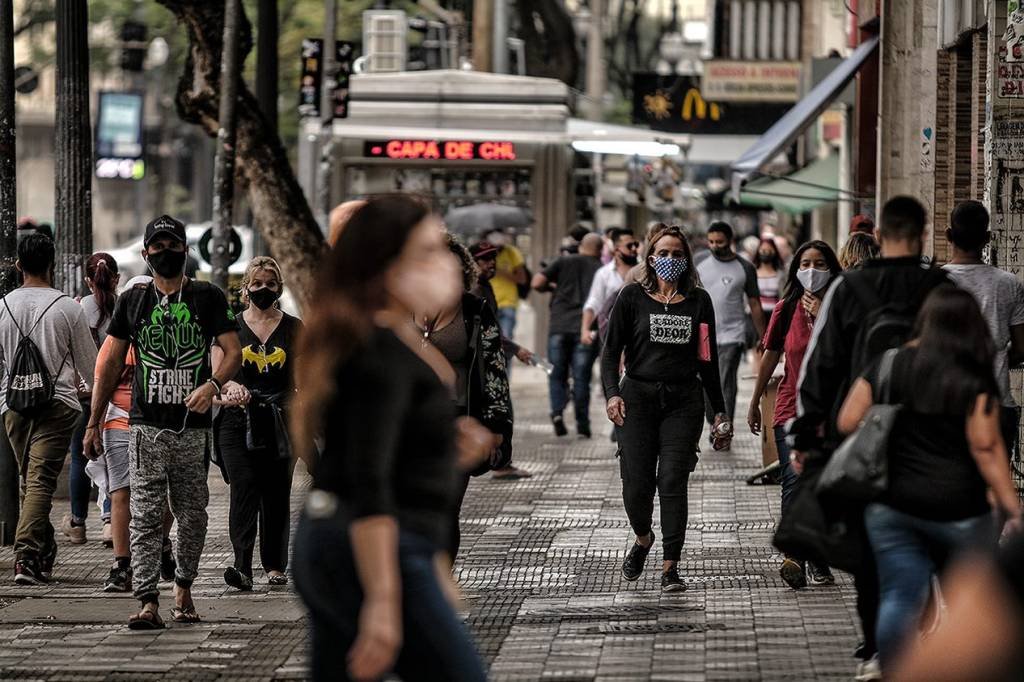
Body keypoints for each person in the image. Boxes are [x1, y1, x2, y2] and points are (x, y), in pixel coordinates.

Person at [291, 195, 490, 681]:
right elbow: (365, 480)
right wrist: (383, 601)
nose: (445, 264)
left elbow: (384, 444)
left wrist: (442, 441)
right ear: (386, 265)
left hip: (354, 541)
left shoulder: (392, 336)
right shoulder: (375, 350)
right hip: (365, 544)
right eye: (426, 252)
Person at [790, 196, 950, 680]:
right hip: (930, 436)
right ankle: (915, 628)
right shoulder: (942, 288)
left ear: (879, 236)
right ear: (923, 233)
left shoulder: (850, 289)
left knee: (872, 546)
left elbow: (819, 366)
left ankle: (881, 646)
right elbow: (970, 367)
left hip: (861, 437)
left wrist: (804, 434)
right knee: (919, 538)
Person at [836, 288, 1022, 669]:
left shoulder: (888, 364)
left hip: (892, 505)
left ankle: (891, 669)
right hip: (960, 508)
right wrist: (1011, 504)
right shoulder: (972, 376)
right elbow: (985, 445)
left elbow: (847, 421)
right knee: (969, 598)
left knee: (899, 597)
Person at [85, 214, 241, 629]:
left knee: (193, 515)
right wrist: (93, 422)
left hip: (193, 430)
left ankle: (184, 589)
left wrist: (212, 385)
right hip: (145, 428)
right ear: (145, 253)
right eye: (159, 247)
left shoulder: (207, 296)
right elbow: (111, 362)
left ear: (186, 252)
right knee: (146, 514)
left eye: (174, 246)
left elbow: (233, 351)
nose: (166, 253)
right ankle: (147, 600)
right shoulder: (133, 301)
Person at [601, 224, 731, 592]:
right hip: (637, 398)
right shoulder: (631, 298)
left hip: (683, 401)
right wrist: (612, 394)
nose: (670, 260)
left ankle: (670, 566)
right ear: (650, 257)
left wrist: (718, 413)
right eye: (663, 253)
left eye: (677, 254)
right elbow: (610, 352)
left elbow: (708, 360)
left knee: (673, 479)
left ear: (687, 259)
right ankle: (643, 539)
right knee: (636, 486)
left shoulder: (699, 301)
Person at [0, 233, 98, 585]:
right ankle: (26, 556)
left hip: (12, 407)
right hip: (59, 403)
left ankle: (43, 550)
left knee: (33, 480)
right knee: (39, 479)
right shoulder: (68, 308)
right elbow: (92, 368)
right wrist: (98, 416)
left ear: (18, 265)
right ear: (52, 264)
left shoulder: (2, 307)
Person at [747, 241, 842, 589]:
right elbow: (770, 356)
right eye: (805, 263)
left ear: (832, 269)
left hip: (832, 411)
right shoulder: (785, 309)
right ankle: (795, 557)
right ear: (796, 269)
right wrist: (755, 400)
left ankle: (816, 555)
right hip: (790, 407)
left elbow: (847, 352)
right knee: (794, 480)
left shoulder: (842, 307)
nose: (812, 270)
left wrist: (823, 314)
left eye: (820, 263)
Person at [414, 235, 513, 561]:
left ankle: (440, 581)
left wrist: (497, 424)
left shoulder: (474, 310)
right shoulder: (402, 305)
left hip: (459, 419)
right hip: (409, 423)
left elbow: (495, 368)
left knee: (446, 507)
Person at [213, 257, 301, 591]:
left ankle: (275, 564)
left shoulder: (294, 329)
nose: (264, 290)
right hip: (236, 422)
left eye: (270, 284)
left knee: (277, 491)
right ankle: (241, 565)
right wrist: (229, 385)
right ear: (246, 288)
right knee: (245, 487)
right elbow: (216, 373)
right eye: (258, 284)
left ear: (280, 288)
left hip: (281, 420)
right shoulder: (230, 328)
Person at [942, 200, 1024, 455]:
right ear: (987, 238)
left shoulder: (935, 282)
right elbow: (1021, 348)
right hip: (997, 404)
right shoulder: (1009, 284)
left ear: (948, 236)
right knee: (994, 487)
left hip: (947, 406)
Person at [62, 252, 120, 547]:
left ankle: (77, 522)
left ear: (88, 280)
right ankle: (110, 521)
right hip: (118, 395)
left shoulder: (78, 309)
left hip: (83, 394)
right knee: (113, 456)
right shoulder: (125, 307)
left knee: (79, 456)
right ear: (117, 279)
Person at [469, 240, 533, 480]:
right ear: (472, 263)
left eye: (492, 259)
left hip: (489, 364)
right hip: (483, 367)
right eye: (484, 259)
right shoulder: (475, 290)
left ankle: (499, 461)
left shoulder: (485, 286)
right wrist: (515, 348)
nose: (491, 264)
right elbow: (489, 332)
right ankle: (499, 463)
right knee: (499, 411)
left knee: (500, 412)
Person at [532, 233, 603, 438]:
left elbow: (537, 283)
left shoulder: (563, 261)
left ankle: (556, 413)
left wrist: (552, 286)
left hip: (559, 325)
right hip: (587, 328)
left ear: (581, 246)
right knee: (582, 378)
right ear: (599, 250)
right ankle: (582, 423)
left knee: (555, 373)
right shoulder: (600, 269)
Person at [696, 220, 765, 423]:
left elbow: (754, 304)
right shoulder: (699, 261)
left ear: (730, 241)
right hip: (702, 333)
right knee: (704, 381)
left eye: (720, 241)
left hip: (732, 335)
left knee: (726, 381)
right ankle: (714, 419)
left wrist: (764, 336)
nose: (715, 246)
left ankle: (725, 426)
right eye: (711, 241)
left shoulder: (745, 267)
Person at [581, 228, 639, 345]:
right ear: (617, 249)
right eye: (629, 246)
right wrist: (585, 330)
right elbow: (594, 302)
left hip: (637, 335)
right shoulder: (604, 274)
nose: (634, 248)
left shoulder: (644, 272)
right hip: (610, 335)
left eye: (635, 244)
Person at [481, 227, 528, 344]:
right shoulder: (482, 254)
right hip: (487, 303)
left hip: (507, 303)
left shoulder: (512, 253)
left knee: (505, 342)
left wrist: (502, 272)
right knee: (488, 342)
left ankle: (506, 363)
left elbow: (522, 279)